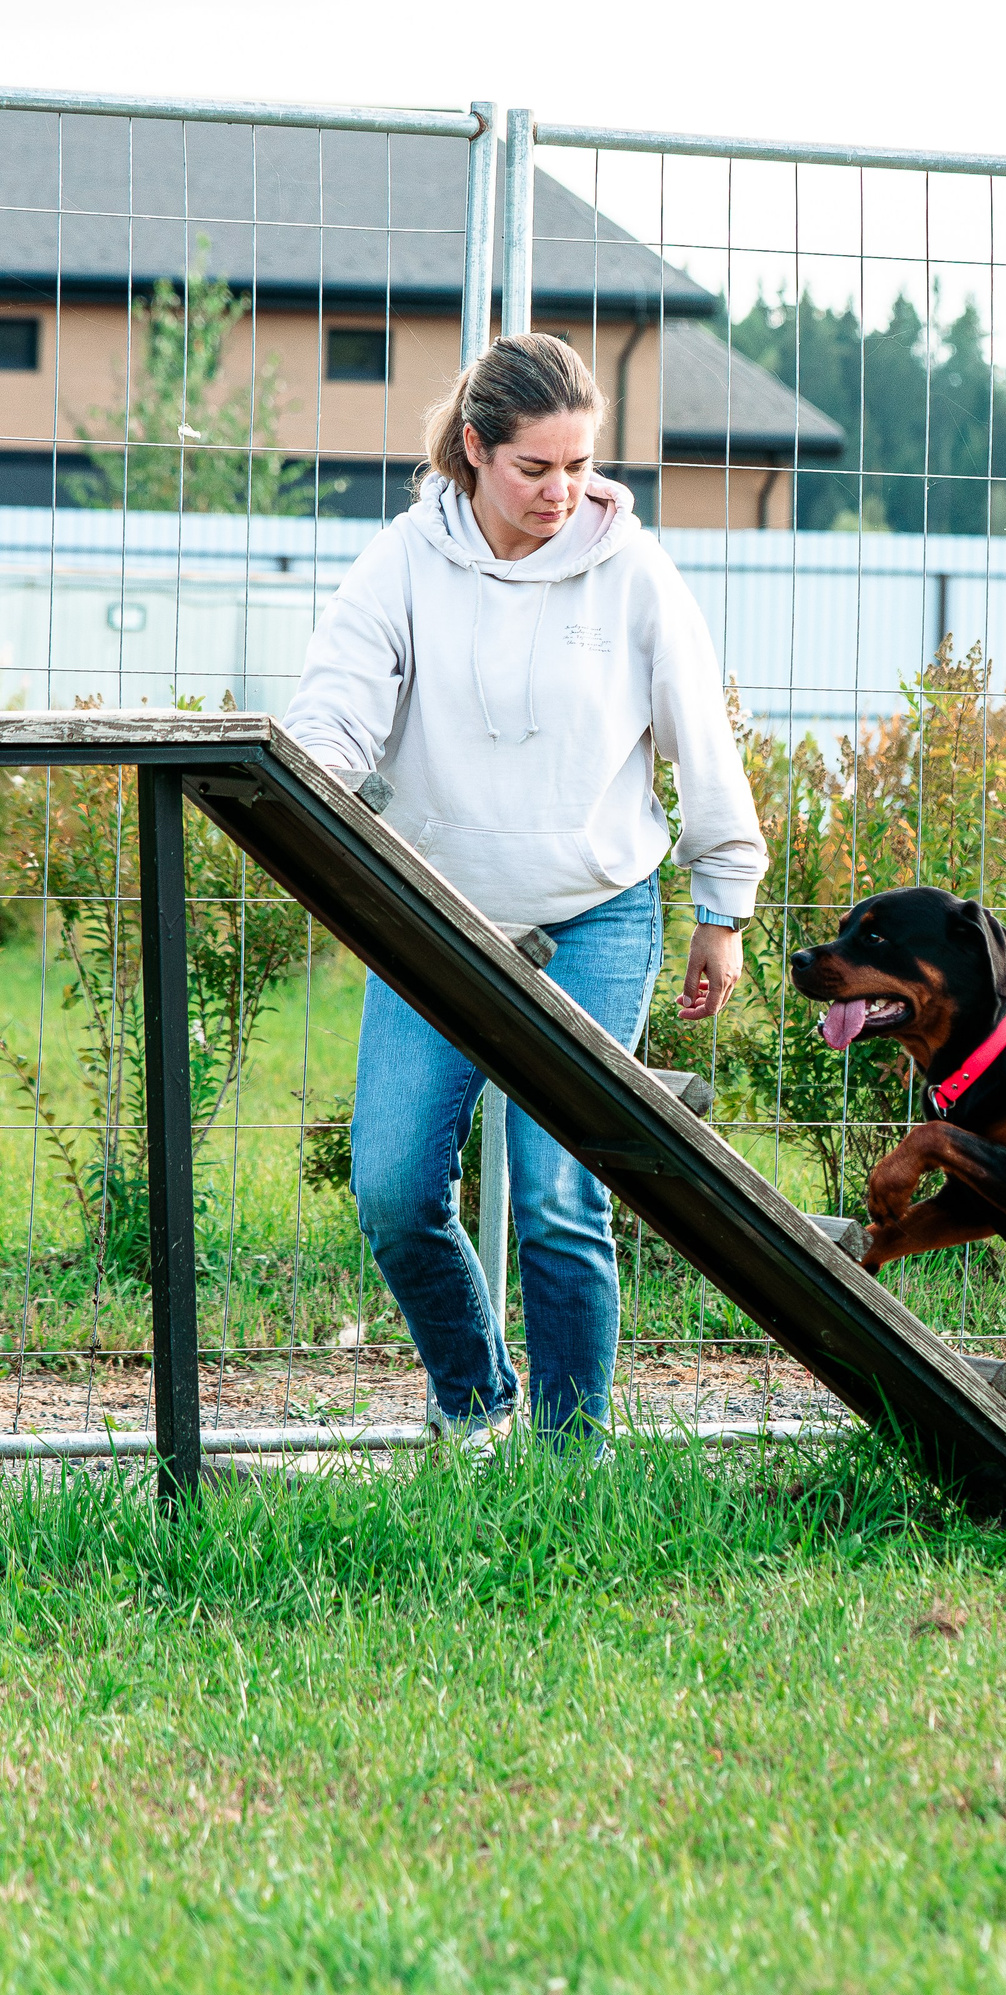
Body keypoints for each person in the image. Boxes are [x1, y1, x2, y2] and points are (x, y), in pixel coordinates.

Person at [284, 333, 766, 1451]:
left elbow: (702, 734)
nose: (563, 491)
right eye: (534, 467)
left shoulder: (632, 569)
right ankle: (471, 1402)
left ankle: (572, 1449)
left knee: (557, 1193)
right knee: (395, 1189)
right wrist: (316, 778)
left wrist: (722, 906)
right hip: (436, 918)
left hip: (594, 907)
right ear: (473, 449)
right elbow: (334, 711)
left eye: (580, 465)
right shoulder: (403, 562)